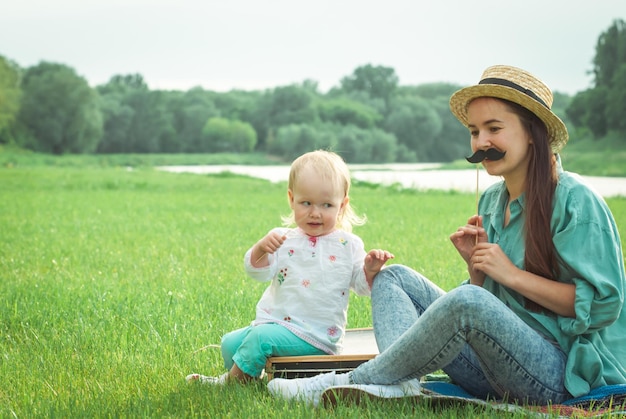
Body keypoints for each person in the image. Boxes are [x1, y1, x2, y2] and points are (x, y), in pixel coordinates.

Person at [267, 65, 626, 407]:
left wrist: (510, 274)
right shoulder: (491, 200)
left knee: (467, 300)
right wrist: (479, 273)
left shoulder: (575, 201)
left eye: (494, 128)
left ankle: (352, 380)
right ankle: (402, 385)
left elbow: (603, 306)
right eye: (474, 131)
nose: (481, 141)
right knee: (392, 278)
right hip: (493, 368)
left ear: (533, 133)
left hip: (555, 376)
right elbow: (491, 307)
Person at [187, 150, 394, 385]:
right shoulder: (282, 239)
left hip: (317, 337)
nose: (315, 212)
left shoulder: (348, 245)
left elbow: (361, 285)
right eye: (306, 203)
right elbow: (258, 271)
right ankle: (249, 377)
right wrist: (260, 250)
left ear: (342, 205)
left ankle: (230, 384)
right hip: (279, 325)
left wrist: (370, 268)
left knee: (259, 339)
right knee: (229, 343)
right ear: (291, 199)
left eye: (326, 205)